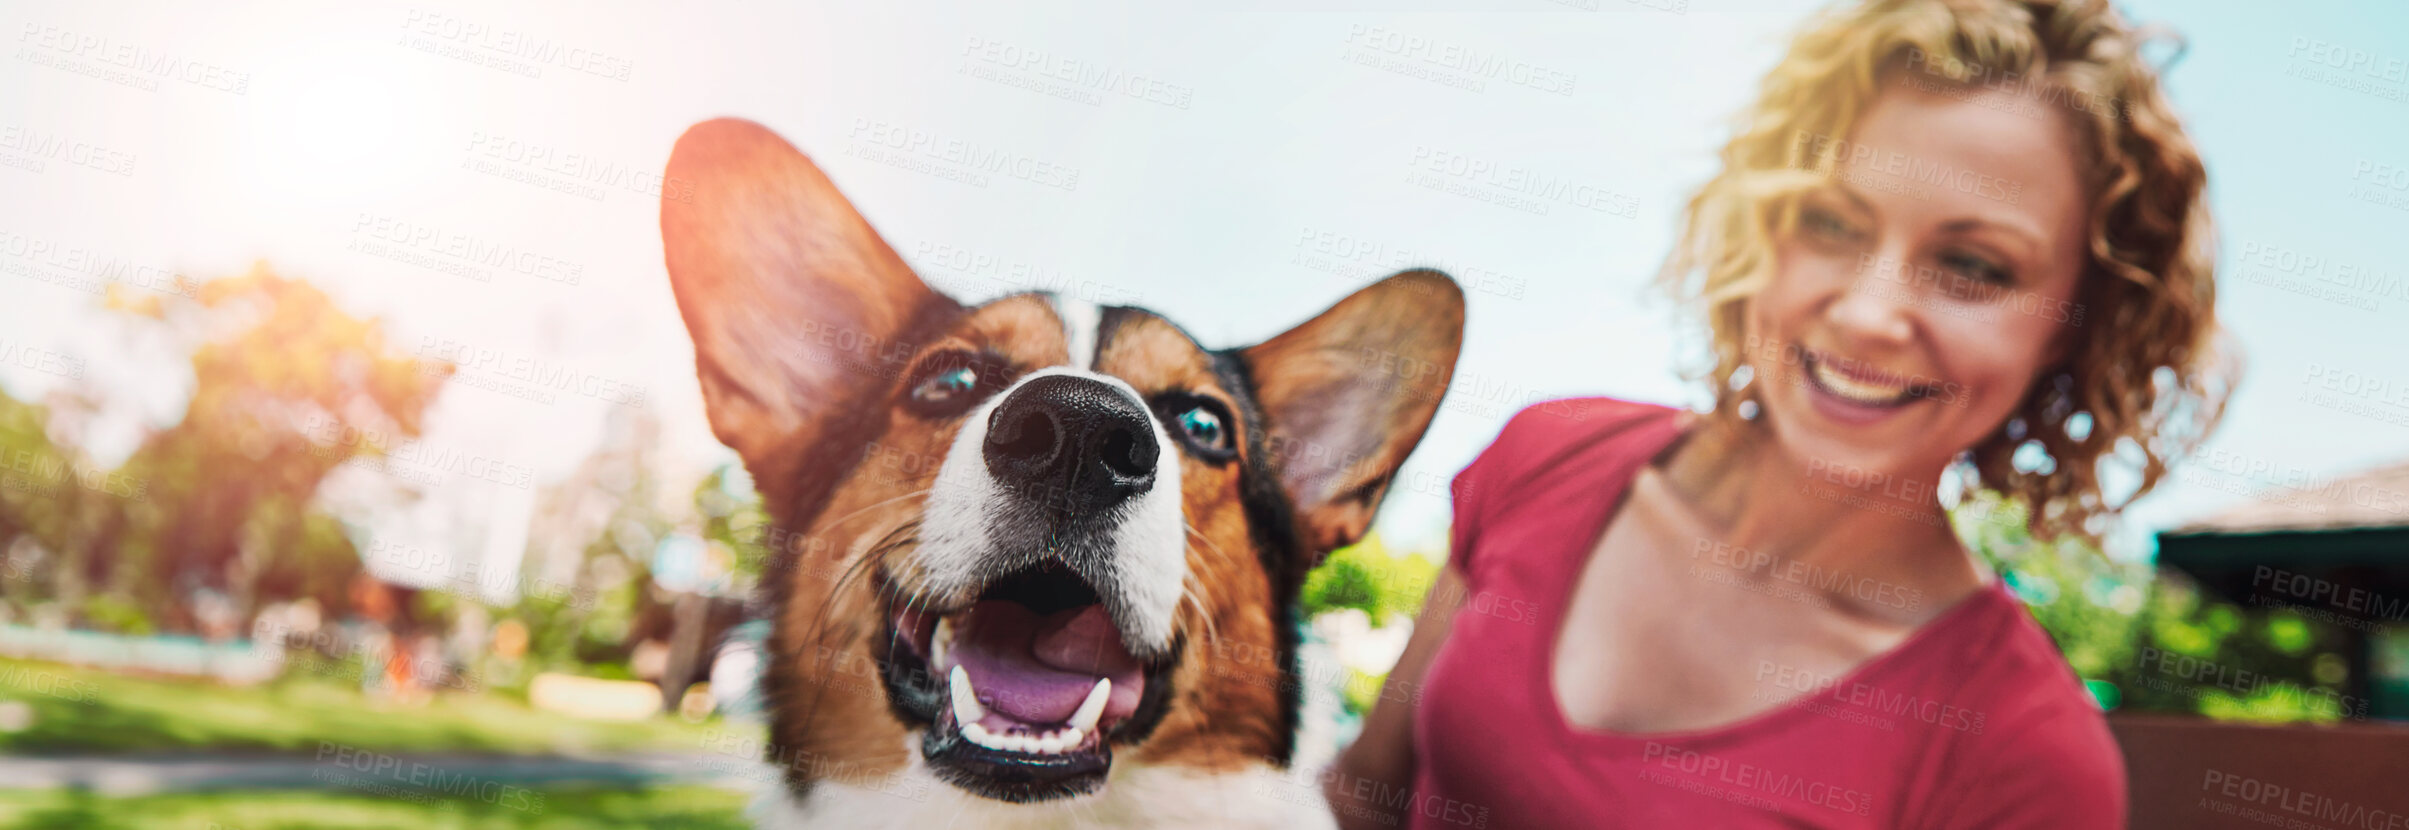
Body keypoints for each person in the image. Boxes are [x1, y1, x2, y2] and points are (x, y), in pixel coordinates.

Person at [1325, 0, 2230, 827]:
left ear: (2081, 330)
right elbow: (1364, 798)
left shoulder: (2023, 754)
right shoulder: (1550, 455)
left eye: (1975, 267)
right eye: (1832, 222)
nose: (1868, 314)